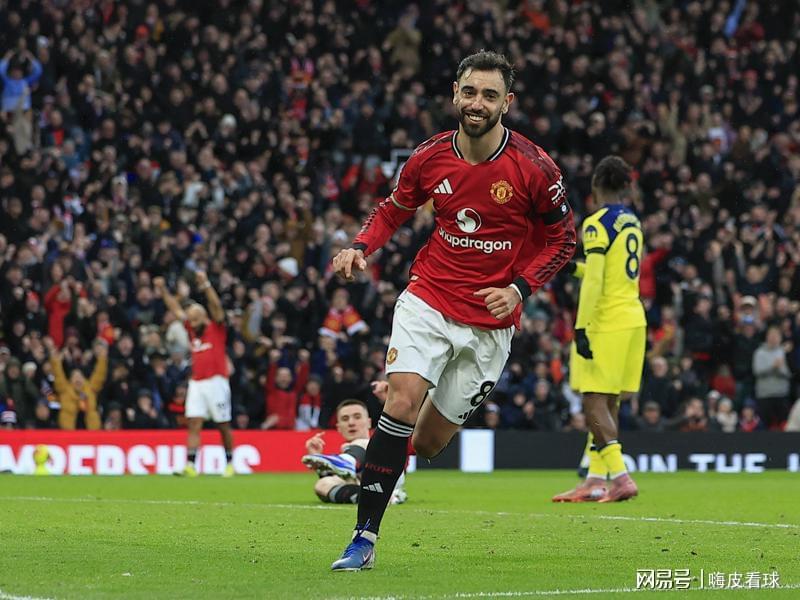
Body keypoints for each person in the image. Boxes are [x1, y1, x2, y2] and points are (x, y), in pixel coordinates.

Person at [327, 50, 576, 571]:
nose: (477, 103)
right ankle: (363, 538)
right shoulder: (429, 156)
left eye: (489, 95)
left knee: (428, 443)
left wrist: (520, 289)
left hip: (490, 323)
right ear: (454, 95)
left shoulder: (535, 168)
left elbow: (563, 240)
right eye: (469, 92)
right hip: (430, 297)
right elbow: (393, 209)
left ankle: (372, 447)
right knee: (402, 402)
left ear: (507, 103)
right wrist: (360, 246)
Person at [553, 155, 645, 503]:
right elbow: (605, 273)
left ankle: (620, 478)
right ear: (626, 187)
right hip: (632, 318)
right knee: (609, 402)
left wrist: (581, 327)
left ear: (595, 187)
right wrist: (572, 269)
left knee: (592, 402)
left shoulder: (596, 223)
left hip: (605, 321)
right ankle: (594, 480)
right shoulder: (631, 221)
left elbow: (594, 283)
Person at [155, 271, 235, 477]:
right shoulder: (192, 329)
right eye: (190, 320)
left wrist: (206, 284)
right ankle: (190, 465)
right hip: (197, 383)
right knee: (193, 423)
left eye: (195, 320)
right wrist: (163, 290)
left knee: (223, 424)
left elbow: (216, 306)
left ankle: (230, 463)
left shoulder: (217, 328)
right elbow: (175, 308)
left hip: (217, 381)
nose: (192, 323)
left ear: (204, 317)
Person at [301, 396, 406, 505]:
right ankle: (373, 498)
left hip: (387, 478)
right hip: (367, 485)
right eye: (345, 419)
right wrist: (318, 462)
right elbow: (335, 479)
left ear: (369, 422)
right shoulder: (348, 448)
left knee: (364, 444)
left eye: (357, 417)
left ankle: (348, 462)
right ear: (338, 428)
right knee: (322, 484)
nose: (351, 422)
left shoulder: (376, 443)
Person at [45, 337, 108, 430]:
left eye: (79, 376)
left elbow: (99, 375)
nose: (77, 379)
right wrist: (56, 362)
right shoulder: (65, 389)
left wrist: (102, 359)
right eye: (75, 377)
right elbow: (58, 376)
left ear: (84, 378)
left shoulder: (90, 388)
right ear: (70, 380)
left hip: (91, 430)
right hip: (68, 430)